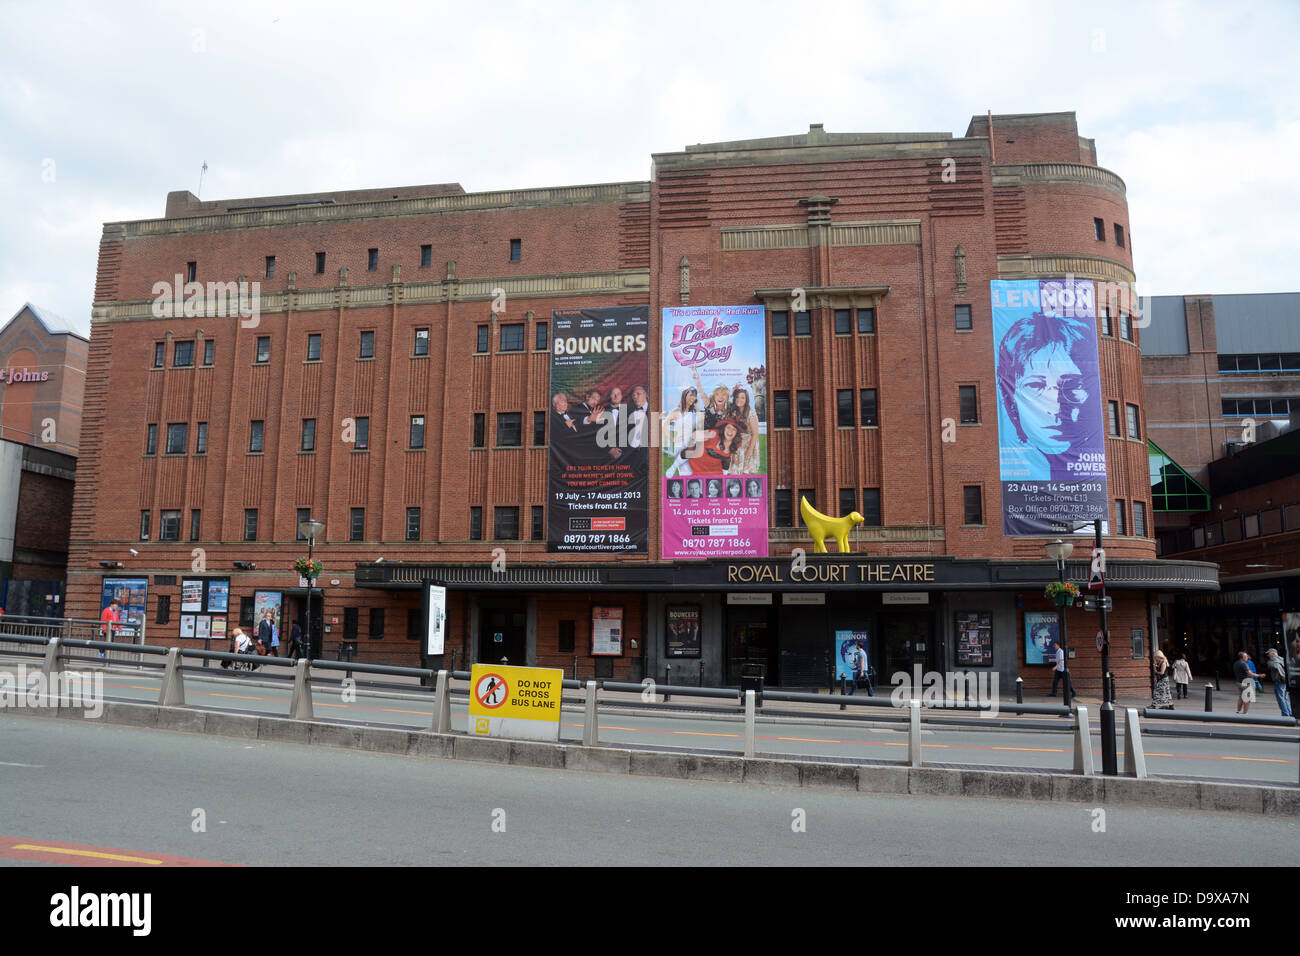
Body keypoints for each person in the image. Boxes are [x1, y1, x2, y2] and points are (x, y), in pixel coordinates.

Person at [663, 388, 700, 477]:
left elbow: (700, 425)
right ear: (684, 396)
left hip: (694, 445)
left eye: (694, 395)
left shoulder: (694, 411)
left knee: (694, 473)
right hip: (681, 445)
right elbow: (664, 427)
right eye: (691, 395)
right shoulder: (676, 411)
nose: (693, 398)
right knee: (685, 473)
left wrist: (697, 410)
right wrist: (674, 439)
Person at [728, 386, 762, 475]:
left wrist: (750, 451)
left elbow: (755, 434)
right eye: (737, 397)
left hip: (748, 444)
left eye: (742, 397)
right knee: (734, 472)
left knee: (745, 472)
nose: (739, 399)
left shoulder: (750, 413)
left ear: (746, 400)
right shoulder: (734, 411)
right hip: (737, 443)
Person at [1264, 649, 1292, 718]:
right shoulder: (1282, 659)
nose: (1268, 655)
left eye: (1269, 654)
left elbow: (1274, 666)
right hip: (1285, 681)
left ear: (1273, 653)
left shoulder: (1272, 661)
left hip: (1279, 681)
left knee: (1281, 698)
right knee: (1285, 698)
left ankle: (1285, 714)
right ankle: (1289, 713)